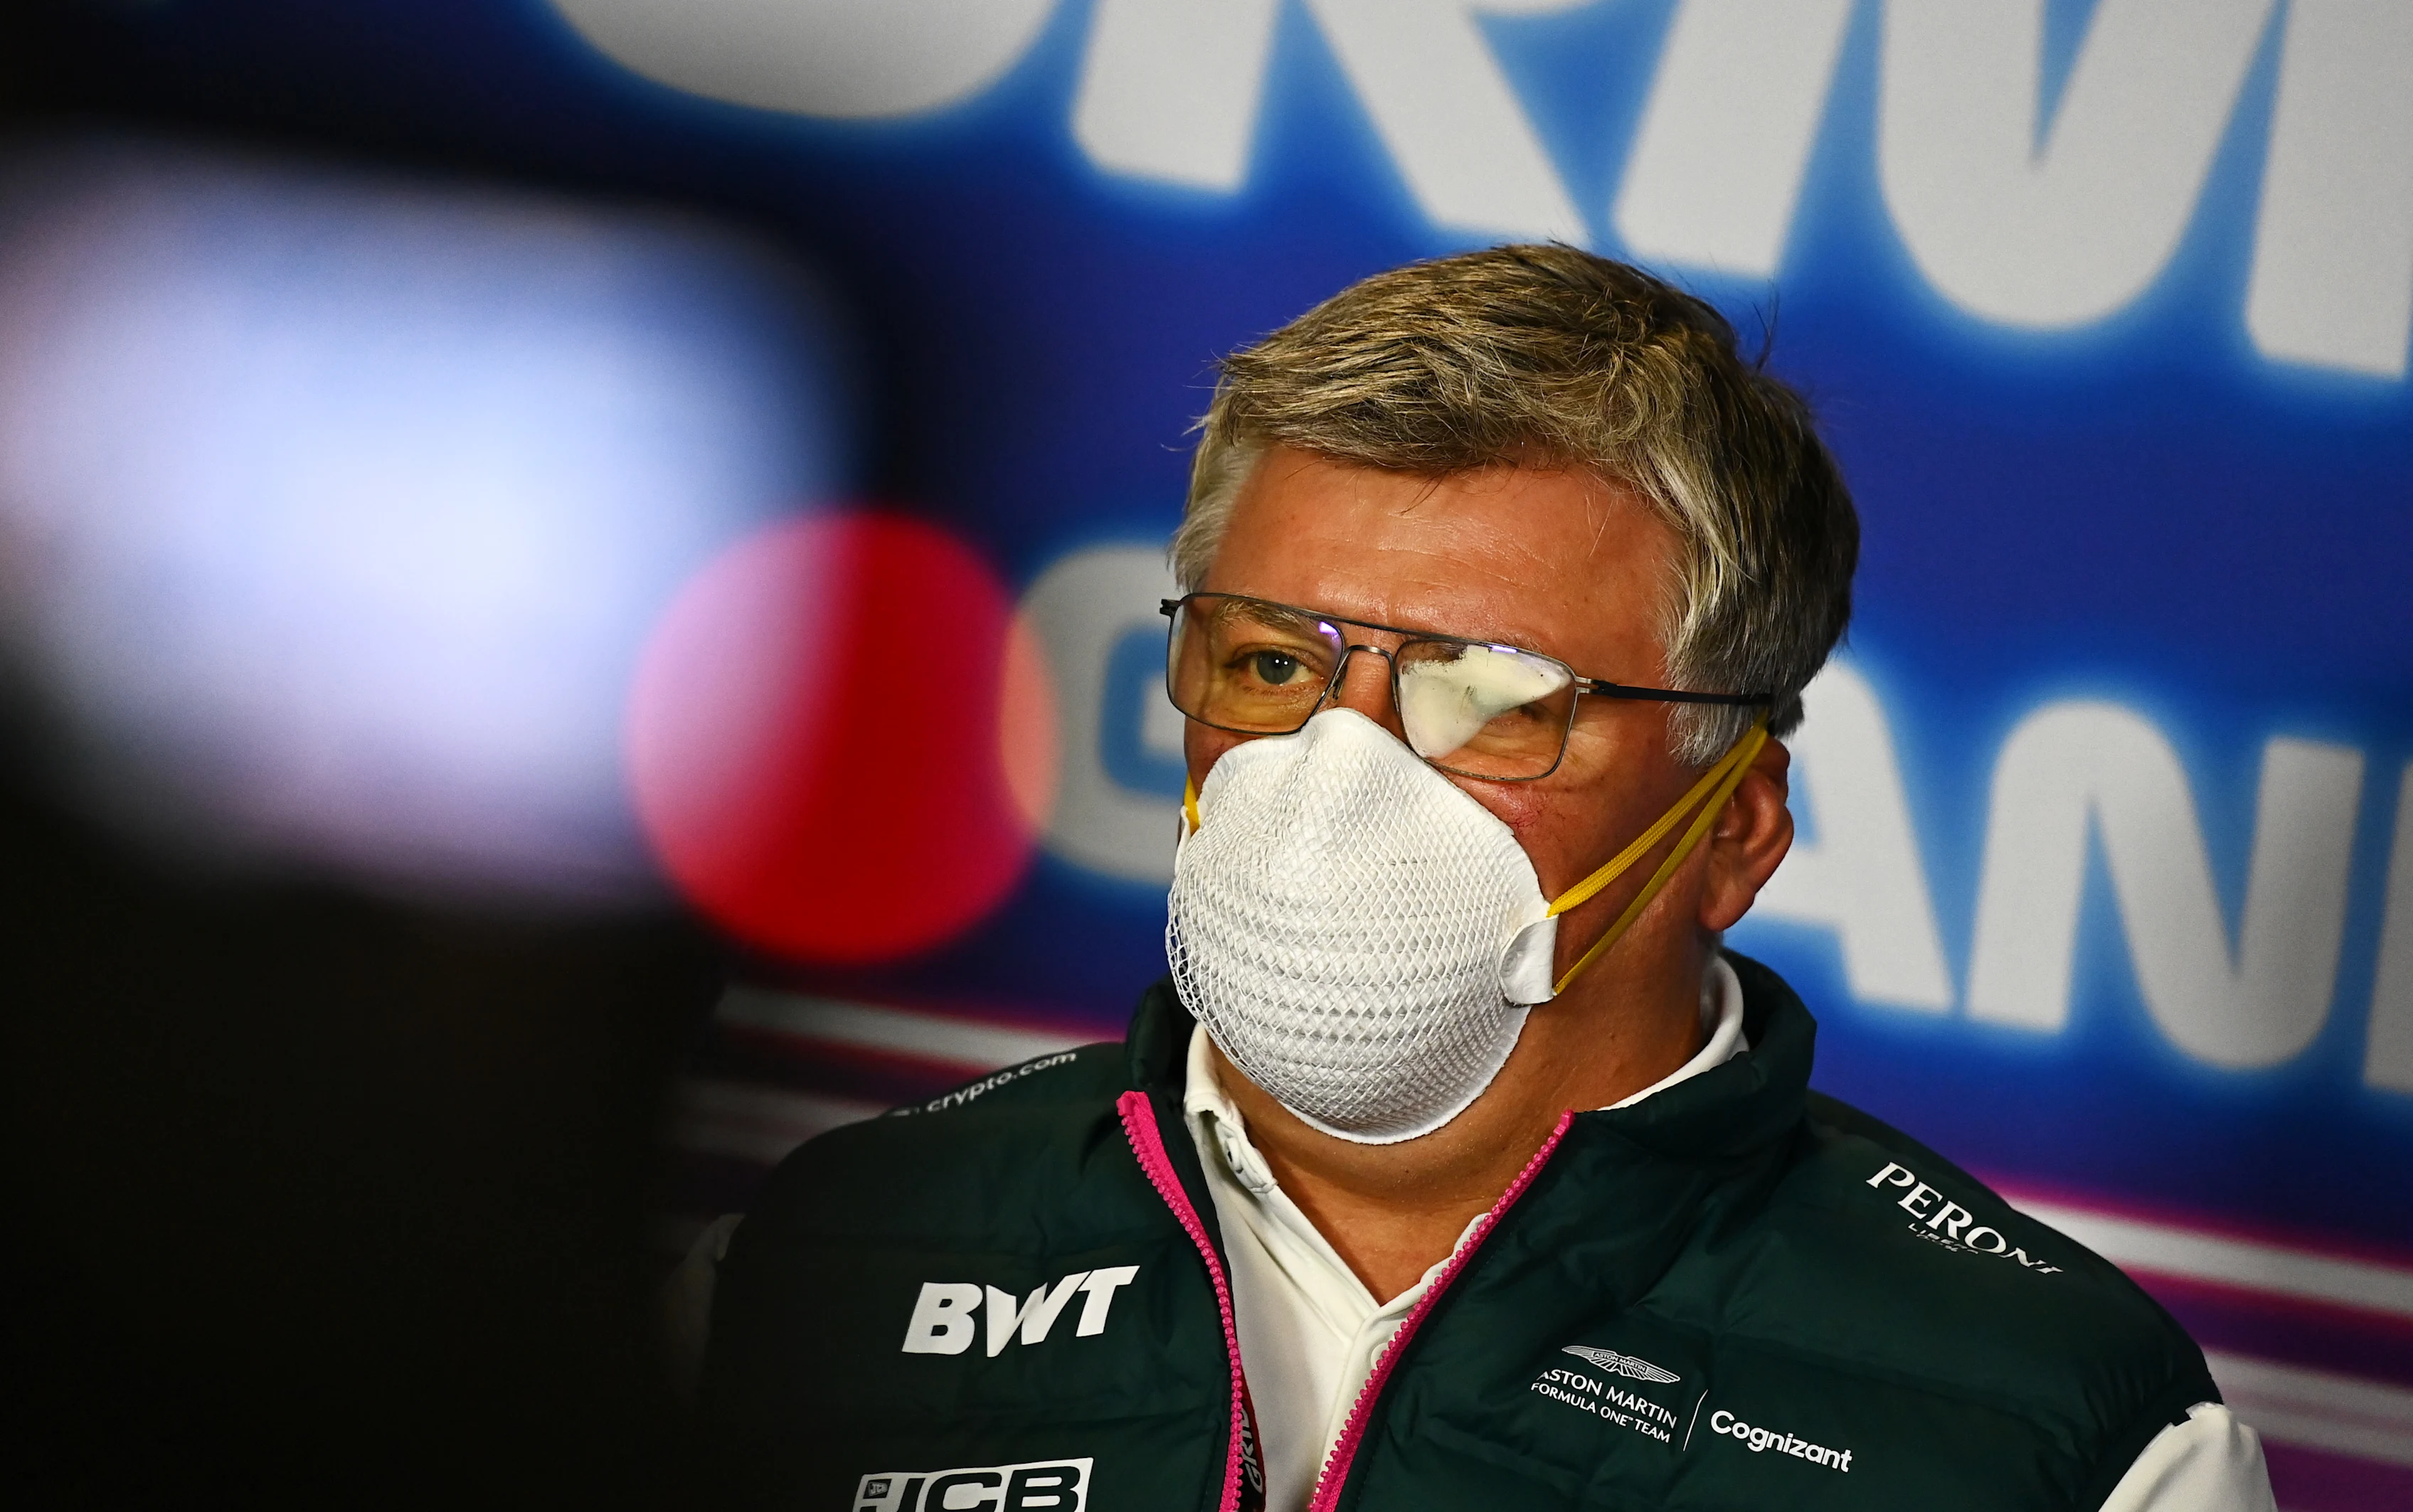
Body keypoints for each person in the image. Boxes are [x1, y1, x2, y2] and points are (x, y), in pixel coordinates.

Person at [696, 245, 2274, 1511]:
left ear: (1733, 827)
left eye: (1497, 697)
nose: (1337, 767)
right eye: (1265, 660)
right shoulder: (822, 1262)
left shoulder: (2061, 1439)